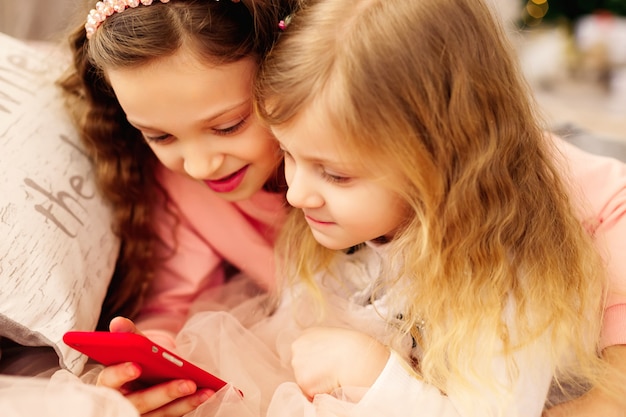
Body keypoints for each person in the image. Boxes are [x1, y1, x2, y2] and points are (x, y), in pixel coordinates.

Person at [59, 0, 298, 348]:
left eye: (228, 126)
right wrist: (153, 350)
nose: (199, 167)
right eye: (160, 136)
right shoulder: (179, 186)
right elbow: (172, 303)